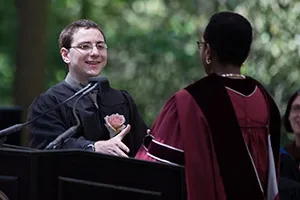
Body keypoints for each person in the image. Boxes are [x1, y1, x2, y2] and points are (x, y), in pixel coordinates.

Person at [135, 12, 281, 200]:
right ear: (245, 54)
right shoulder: (265, 100)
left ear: (209, 51)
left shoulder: (190, 102)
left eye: (202, 45)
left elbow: (154, 170)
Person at [27, 19, 148, 157]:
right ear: (66, 55)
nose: (95, 52)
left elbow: (143, 148)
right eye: (85, 46)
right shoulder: (49, 103)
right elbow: (47, 150)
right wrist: (93, 147)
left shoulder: (122, 100)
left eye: (100, 46)